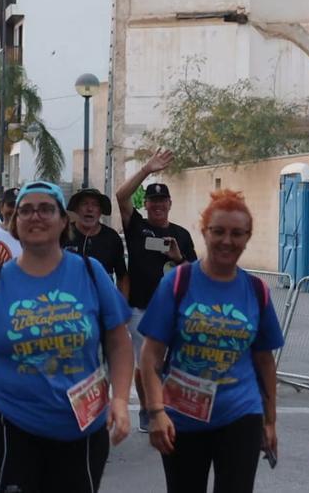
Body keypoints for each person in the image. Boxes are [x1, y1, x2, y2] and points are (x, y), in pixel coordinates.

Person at [0, 181, 134, 491]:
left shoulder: (91, 273)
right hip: (7, 422)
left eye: (45, 209)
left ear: (64, 221)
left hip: (81, 427)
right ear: (15, 224)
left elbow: (119, 343)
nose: (35, 216)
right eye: (25, 211)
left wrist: (120, 400)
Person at [137, 189, 284, 493]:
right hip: (181, 417)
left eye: (237, 233)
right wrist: (156, 412)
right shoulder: (178, 281)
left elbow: (264, 361)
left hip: (241, 414)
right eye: (218, 231)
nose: (227, 241)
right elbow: (151, 356)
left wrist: (270, 421)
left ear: (248, 237)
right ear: (204, 232)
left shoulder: (257, 290)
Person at [116, 149, 198, 432]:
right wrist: (146, 170)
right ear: (146, 204)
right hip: (141, 308)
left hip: (174, 310)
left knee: (171, 362)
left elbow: (194, 273)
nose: (157, 206)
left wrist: (177, 257)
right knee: (146, 362)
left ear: (170, 204)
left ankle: (168, 406)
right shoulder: (137, 226)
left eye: (162, 201)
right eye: (153, 201)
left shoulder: (182, 234)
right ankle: (148, 409)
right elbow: (121, 197)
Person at [65, 187, 128, 297]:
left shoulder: (112, 238)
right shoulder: (63, 234)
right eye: (84, 204)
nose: (90, 209)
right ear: (76, 208)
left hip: (103, 304)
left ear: (100, 211)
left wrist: (122, 308)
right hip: (69, 304)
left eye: (95, 205)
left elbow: (122, 277)